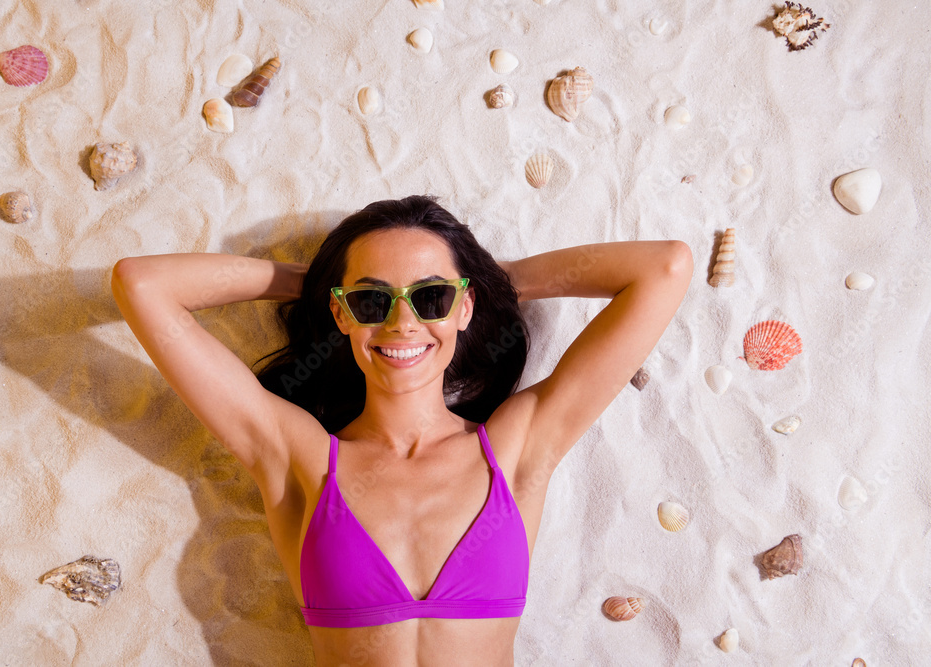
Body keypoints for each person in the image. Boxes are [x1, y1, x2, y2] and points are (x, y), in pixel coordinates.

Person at [112, 195, 693, 666]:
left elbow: (664, 267)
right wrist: (320, 284)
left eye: (431, 296)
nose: (402, 321)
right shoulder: (301, 459)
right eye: (370, 300)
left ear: (464, 308)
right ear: (342, 313)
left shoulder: (515, 450)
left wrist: (484, 280)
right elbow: (142, 285)